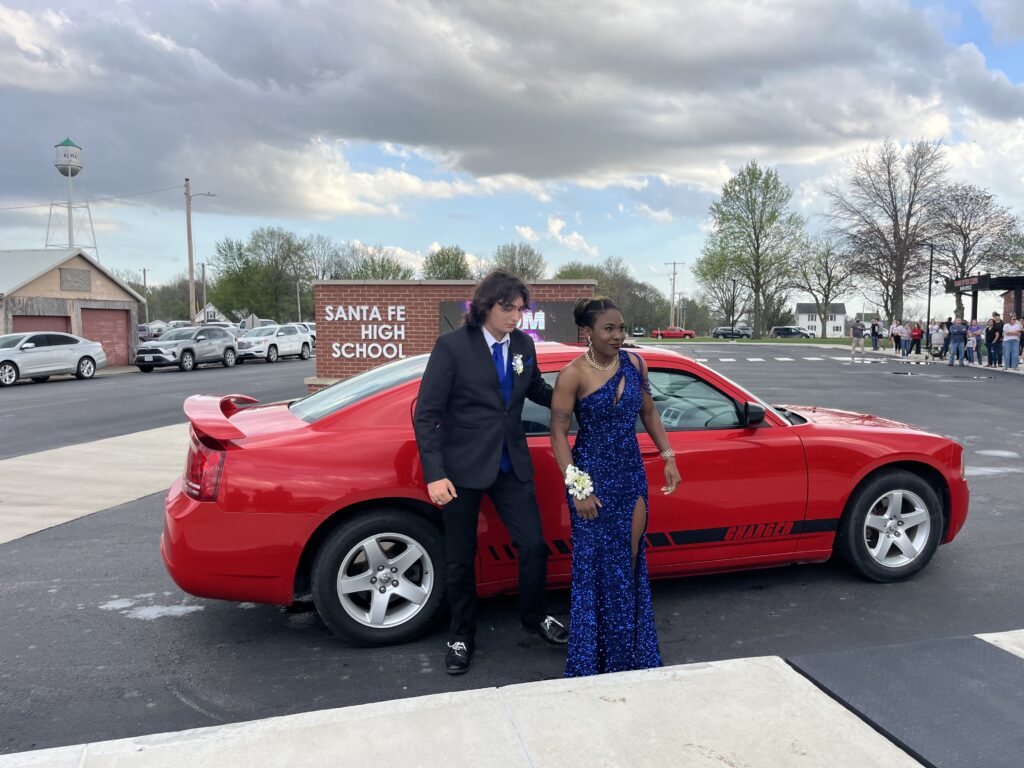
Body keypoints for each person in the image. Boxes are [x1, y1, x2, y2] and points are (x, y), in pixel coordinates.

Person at [413, 270, 569, 675]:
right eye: (508, 308)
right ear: (485, 306)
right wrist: (434, 473)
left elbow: (534, 387)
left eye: (520, 309)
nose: (515, 316)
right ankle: (461, 635)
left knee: (533, 546)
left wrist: (574, 397)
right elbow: (426, 413)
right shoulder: (452, 347)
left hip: (510, 463)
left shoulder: (523, 345)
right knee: (460, 558)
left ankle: (534, 616)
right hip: (461, 468)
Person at [550, 297, 680, 677]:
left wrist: (668, 455)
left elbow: (649, 411)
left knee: (630, 560)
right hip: (591, 477)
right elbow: (558, 434)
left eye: (621, 328)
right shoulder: (572, 374)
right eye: (609, 329)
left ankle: (628, 654)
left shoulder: (635, 364)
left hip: (630, 474)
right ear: (587, 332)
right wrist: (578, 489)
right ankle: (595, 658)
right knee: (595, 567)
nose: (618, 335)